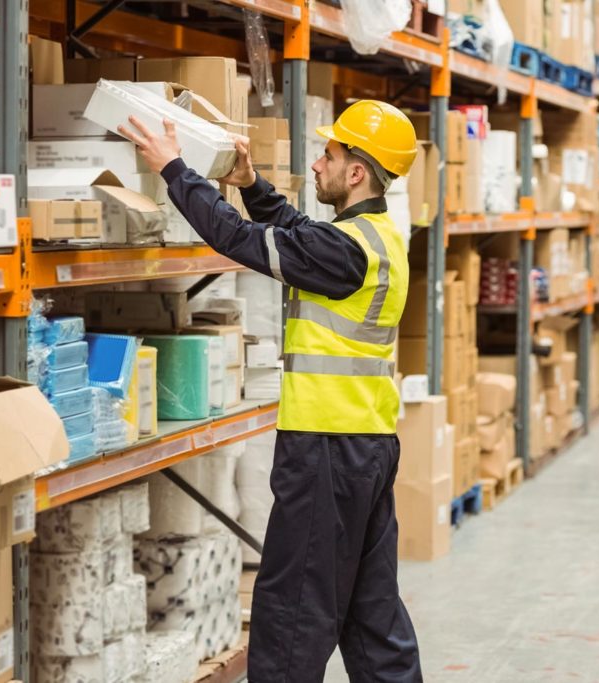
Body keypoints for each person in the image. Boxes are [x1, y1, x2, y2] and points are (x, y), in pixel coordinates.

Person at [120, 101, 424, 681]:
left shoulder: (347, 250)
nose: (317, 163)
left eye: (329, 155)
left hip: (329, 451)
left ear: (356, 172)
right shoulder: (373, 236)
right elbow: (297, 231)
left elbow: (237, 238)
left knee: (292, 616)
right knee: (371, 613)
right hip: (367, 446)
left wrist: (173, 167)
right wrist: (252, 183)